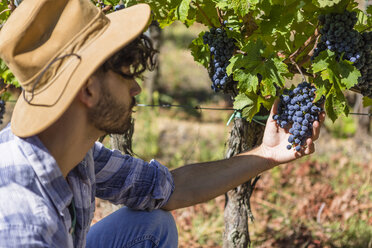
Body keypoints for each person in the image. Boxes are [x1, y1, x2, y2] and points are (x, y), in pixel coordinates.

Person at [0, 0, 324, 247]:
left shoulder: (73, 150)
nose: (137, 88)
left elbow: (170, 189)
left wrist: (268, 153)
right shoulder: (25, 223)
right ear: (88, 88)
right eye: (127, 72)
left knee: (152, 224)